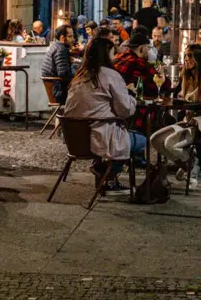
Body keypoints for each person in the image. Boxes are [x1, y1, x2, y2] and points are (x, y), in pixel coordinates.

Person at [62, 36, 145, 191]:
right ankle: (108, 173)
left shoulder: (79, 76)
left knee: (126, 137)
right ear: (106, 54)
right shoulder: (110, 75)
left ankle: (105, 171)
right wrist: (131, 97)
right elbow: (125, 110)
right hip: (101, 136)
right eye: (113, 53)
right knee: (142, 141)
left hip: (76, 140)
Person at [150, 43, 201, 179]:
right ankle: (186, 164)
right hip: (189, 121)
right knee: (155, 139)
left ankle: (192, 165)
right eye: (185, 56)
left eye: (190, 56)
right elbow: (182, 97)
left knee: (170, 142)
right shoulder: (188, 76)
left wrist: (200, 107)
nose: (186, 59)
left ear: (199, 59)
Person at [113, 32, 160, 97]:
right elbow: (154, 88)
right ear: (141, 48)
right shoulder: (140, 65)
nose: (149, 51)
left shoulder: (119, 58)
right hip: (137, 102)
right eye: (148, 48)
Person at [41, 24, 77, 105]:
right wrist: (77, 72)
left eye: (73, 36)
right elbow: (64, 74)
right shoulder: (61, 50)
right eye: (70, 36)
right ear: (62, 38)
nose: (73, 39)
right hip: (59, 91)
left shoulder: (56, 46)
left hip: (57, 87)